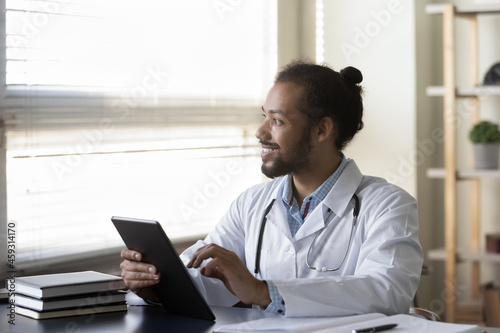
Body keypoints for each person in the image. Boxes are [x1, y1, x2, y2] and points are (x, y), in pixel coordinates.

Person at [120, 60, 423, 317]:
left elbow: (388, 292)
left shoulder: (387, 204)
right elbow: (206, 279)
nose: (260, 132)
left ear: (322, 130)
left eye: (276, 120)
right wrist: (155, 284)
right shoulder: (252, 203)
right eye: (263, 116)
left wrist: (264, 292)